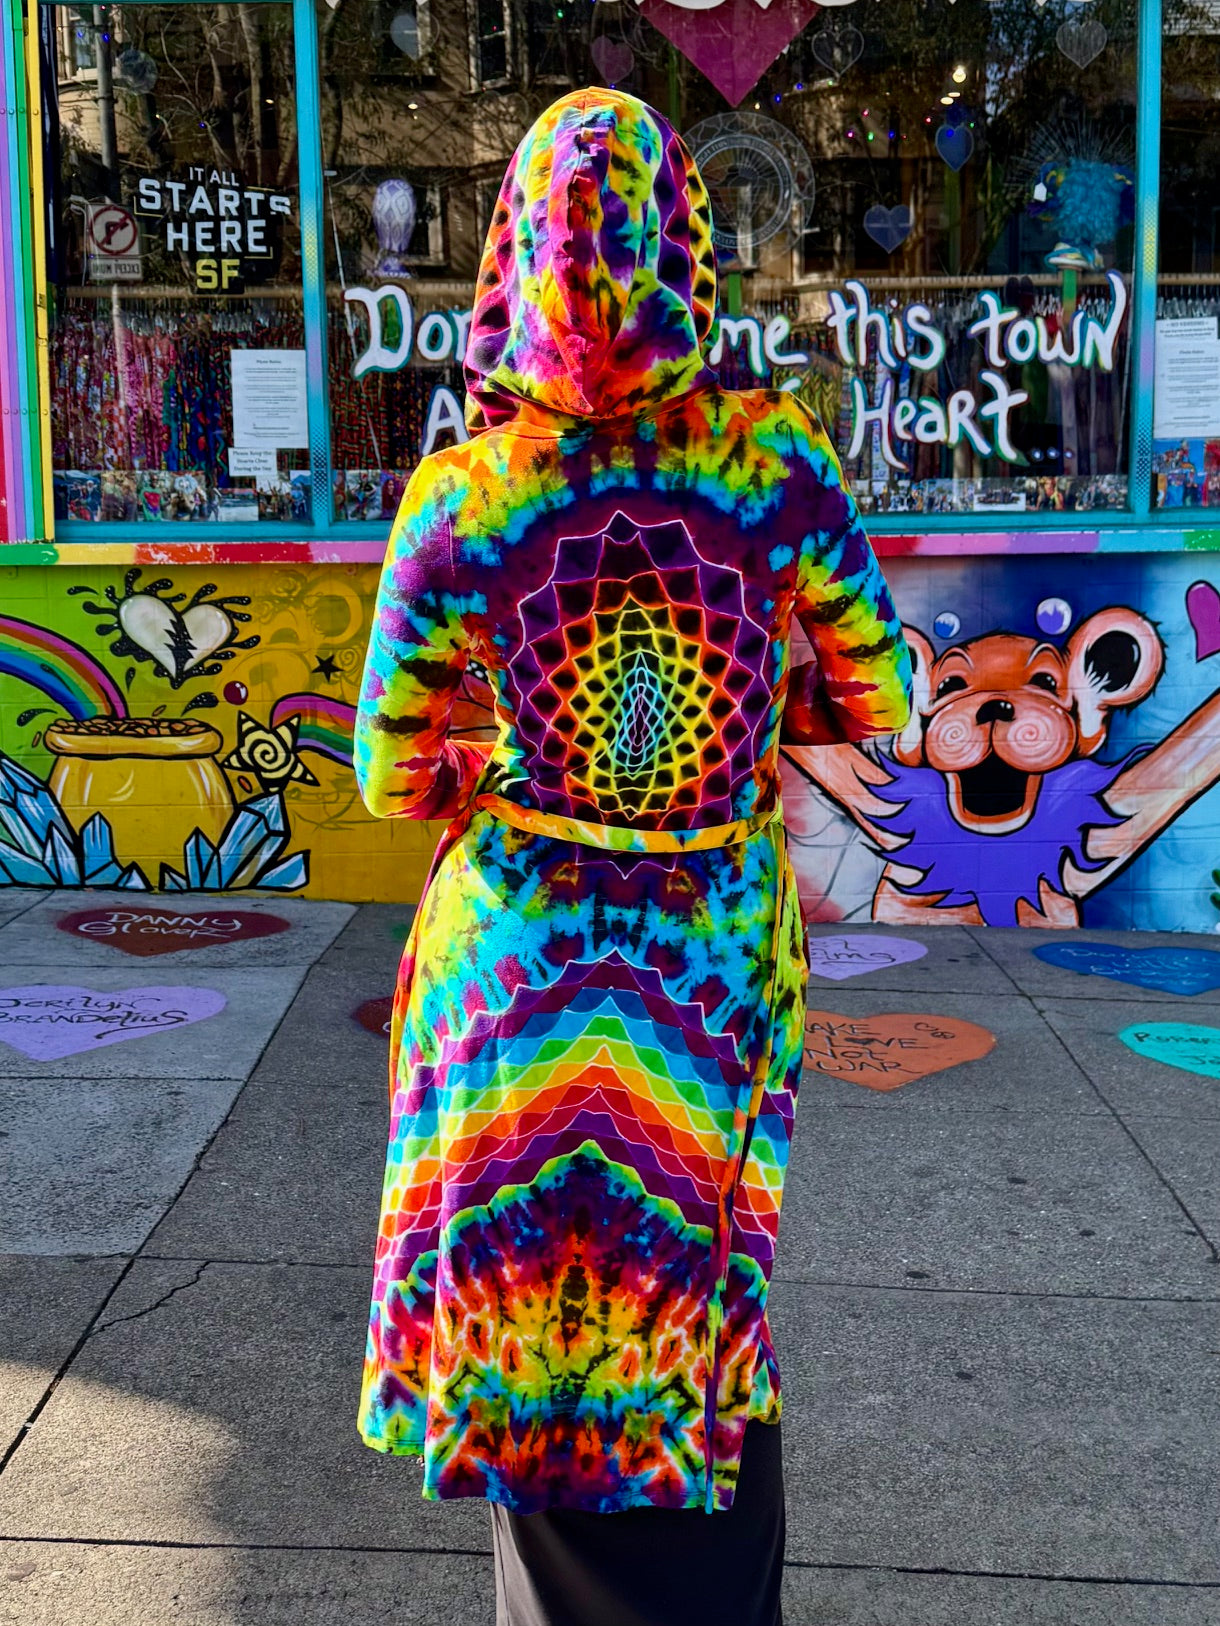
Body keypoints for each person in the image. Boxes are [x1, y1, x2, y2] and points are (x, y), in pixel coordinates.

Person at [353, 87, 912, 1626]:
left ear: (511, 253)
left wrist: (509, 766)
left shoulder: (463, 493)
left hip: (517, 962)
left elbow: (390, 777)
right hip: (705, 960)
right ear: (685, 244)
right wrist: (741, 727)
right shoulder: (776, 462)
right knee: (689, 1288)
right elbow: (884, 700)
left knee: (532, 1309)